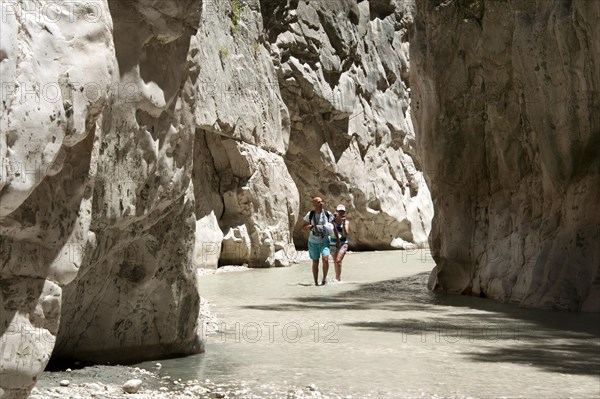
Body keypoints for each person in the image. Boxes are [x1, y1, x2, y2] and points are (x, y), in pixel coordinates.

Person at [302, 196, 335, 285]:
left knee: (325, 258)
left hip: (325, 241)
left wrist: (336, 240)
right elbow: (303, 227)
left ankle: (324, 279)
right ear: (314, 204)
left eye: (321, 202)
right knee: (315, 261)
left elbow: (333, 226)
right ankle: (316, 283)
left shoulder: (327, 214)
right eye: (318, 202)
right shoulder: (310, 215)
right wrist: (308, 227)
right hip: (313, 242)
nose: (321, 203)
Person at [329, 204, 350, 282]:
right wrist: (333, 218)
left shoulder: (346, 222)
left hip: (343, 243)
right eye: (339, 211)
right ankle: (337, 277)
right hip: (332, 243)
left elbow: (345, 234)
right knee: (335, 261)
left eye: (342, 211)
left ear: (344, 212)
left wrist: (343, 223)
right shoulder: (331, 221)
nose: (341, 213)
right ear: (336, 211)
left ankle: (338, 279)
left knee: (338, 260)